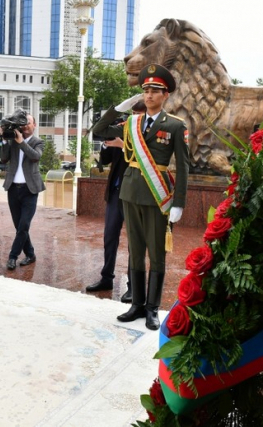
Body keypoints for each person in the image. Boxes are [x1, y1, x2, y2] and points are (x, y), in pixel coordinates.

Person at [114, 64, 190, 330]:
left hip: (157, 196)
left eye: (154, 91)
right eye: (145, 90)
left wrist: (179, 202)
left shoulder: (176, 126)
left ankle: (152, 308)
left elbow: (183, 165)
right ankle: (136, 305)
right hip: (131, 192)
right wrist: (119, 108)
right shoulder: (132, 122)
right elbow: (101, 129)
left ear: (165, 95)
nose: (148, 95)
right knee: (135, 251)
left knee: (156, 253)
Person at [86, 100, 146, 303]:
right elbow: (106, 159)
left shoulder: (148, 133)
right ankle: (106, 278)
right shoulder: (123, 128)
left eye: (139, 113)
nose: (135, 117)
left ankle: (132, 286)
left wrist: (125, 146)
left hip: (135, 196)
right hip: (115, 193)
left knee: (134, 243)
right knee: (109, 237)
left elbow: (147, 161)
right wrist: (107, 142)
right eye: (133, 113)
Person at [0, 112, 45, 270]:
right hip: (13, 189)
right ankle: (30, 254)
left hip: (30, 190)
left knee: (24, 225)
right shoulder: (12, 142)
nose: (25, 126)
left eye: (28, 123)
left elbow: (35, 157)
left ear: (34, 125)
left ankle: (13, 256)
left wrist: (22, 142)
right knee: (19, 226)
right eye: (23, 123)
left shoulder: (38, 142)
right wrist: (4, 140)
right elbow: (3, 158)